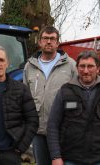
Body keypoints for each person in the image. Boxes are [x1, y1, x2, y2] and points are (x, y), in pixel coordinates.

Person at [47, 50, 100, 165]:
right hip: (71, 158)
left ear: (98, 68)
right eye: (82, 66)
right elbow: (52, 125)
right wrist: (55, 156)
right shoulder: (65, 91)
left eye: (90, 66)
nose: (86, 71)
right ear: (77, 68)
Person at [23, 26, 77, 165]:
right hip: (38, 130)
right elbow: (25, 98)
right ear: (39, 42)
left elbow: (78, 97)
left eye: (52, 39)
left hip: (63, 130)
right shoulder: (29, 66)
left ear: (58, 43)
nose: (49, 42)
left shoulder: (70, 65)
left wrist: (68, 114)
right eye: (45, 38)